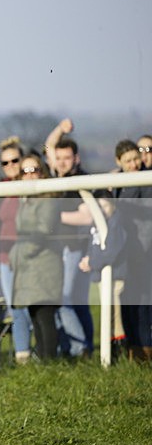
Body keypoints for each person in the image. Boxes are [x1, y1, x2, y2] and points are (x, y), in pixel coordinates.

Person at [45, 118, 94, 358]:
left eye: (67, 157)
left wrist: (52, 216)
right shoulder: (54, 176)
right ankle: (70, 349)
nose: (62, 162)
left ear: (76, 158)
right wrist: (60, 130)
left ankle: (81, 348)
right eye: (59, 157)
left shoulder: (83, 180)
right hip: (56, 249)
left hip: (75, 249)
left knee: (66, 301)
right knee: (69, 301)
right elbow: (49, 145)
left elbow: (87, 217)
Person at [10, 155, 63, 360]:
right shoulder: (26, 200)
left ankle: (50, 362)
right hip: (29, 266)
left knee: (45, 315)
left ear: (42, 172)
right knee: (35, 314)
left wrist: (17, 254)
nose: (30, 175)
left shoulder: (48, 199)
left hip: (45, 264)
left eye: (34, 170)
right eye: (25, 171)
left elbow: (42, 232)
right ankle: (42, 359)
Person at [112, 139, 152, 361]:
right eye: (128, 161)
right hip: (125, 252)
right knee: (127, 302)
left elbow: (146, 224)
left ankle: (145, 351)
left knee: (143, 303)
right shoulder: (117, 182)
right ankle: (133, 350)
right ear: (119, 162)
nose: (134, 164)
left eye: (136, 158)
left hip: (143, 252)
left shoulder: (146, 181)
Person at [0, 136, 33, 363]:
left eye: (14, 160)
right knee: (15, 307)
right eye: (5, 162)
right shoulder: (1, 187)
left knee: (32, 308)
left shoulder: (32, 185)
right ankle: (23, 354)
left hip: (27, 256)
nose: (10, 166)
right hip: (4, 256)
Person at [78, 190, 127, 361]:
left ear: (113, 205)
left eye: (105, 205)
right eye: (98, 206)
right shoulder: (97, 224)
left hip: (115, 277)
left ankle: (119, 352)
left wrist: (92, 262)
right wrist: (88, 258)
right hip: (102, 277)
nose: (102, 210)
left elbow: (111, 251)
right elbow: (93, 245)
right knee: (108, 315)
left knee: (115, 315)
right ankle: (110, 351)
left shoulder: (115, 224)